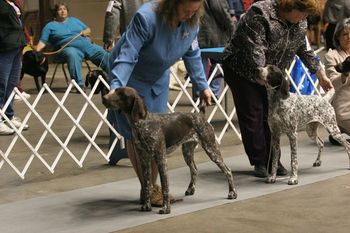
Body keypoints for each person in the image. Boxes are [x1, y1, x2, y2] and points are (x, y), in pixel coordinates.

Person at [108, 0, 212, 206]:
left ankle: (150, 187)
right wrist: (117, 86)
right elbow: (127, 55)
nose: (189, 16)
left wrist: (203, 85)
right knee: (135, 133)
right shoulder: (146, 18)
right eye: (186, 10)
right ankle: (149, 189)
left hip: (157, 76)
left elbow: (192, 53)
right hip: (131, 76)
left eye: (194, 11)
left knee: (156, 135)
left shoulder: (192, 21)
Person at [222, 0, 333, 178]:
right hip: (242, 68)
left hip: (272, 72)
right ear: (291, 7)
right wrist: (263, 76)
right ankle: (260, 161)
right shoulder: (260, 13)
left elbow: (304, 49)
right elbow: (255, 49)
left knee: (273, 114)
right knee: (255, 112)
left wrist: (320, 74)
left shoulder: (300, 21)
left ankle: (273, 160)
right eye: (303, 13)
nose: (305, 18)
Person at [103, 0, 148, 165]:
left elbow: (111, 13)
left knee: (120, 101)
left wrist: (108, 38)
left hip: (129, 45)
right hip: (150, 50)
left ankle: (118, 140)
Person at [35, 2, 109, 89]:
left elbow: (88, 29)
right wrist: (36, 52)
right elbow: (42, 42)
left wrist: (85, 32)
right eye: (60, 9)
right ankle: (79, 85)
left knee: (102, 52)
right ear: (55, 12)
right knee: (72, 54)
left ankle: (112, 77)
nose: (63, 11)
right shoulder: (50, 26)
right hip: (67, 49)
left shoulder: (74, 20)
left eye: (64, 9)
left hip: (87, 46)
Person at [193, 0, 234, 99]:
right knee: (218, 61)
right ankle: (212, 93)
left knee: (198, 62)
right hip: (213, 33)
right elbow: (220, 10)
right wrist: (232, 27)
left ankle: (199, 93)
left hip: (199, 31)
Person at [0, 0, 29, 135]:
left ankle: (8, 116)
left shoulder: (12, 3)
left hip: (17, 46)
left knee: (12, 85)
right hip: (4, 47)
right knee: (1, 84)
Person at [324, 18, 350, 144]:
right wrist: (344, 73)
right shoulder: (332, 56)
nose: (349, 37)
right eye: (345, 34)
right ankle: (339, 128)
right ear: (338, 37)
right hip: (344, 105)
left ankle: (338, 133)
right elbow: (333, 83)